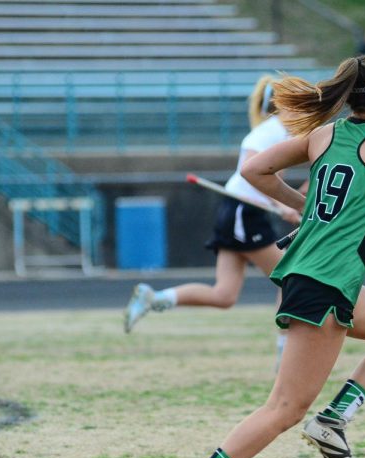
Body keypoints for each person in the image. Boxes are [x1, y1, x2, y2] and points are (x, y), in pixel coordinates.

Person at [165, 54, 365, 458]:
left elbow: (256, 170)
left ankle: (334, 419)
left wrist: (302, 203)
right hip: (326, 283)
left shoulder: (323, 135)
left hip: (323, 277)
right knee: (285, 408)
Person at [122, 76, 302, 363]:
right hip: (244, 211)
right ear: (283, 104)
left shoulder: (279, 132)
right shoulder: (270, 131)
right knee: (292, 278)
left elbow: (272, 178)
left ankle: (154, 299)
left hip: (238, 212)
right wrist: (283, 204)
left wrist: (286, 202)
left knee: (224, 295)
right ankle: (286, 354)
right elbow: (251, 173)